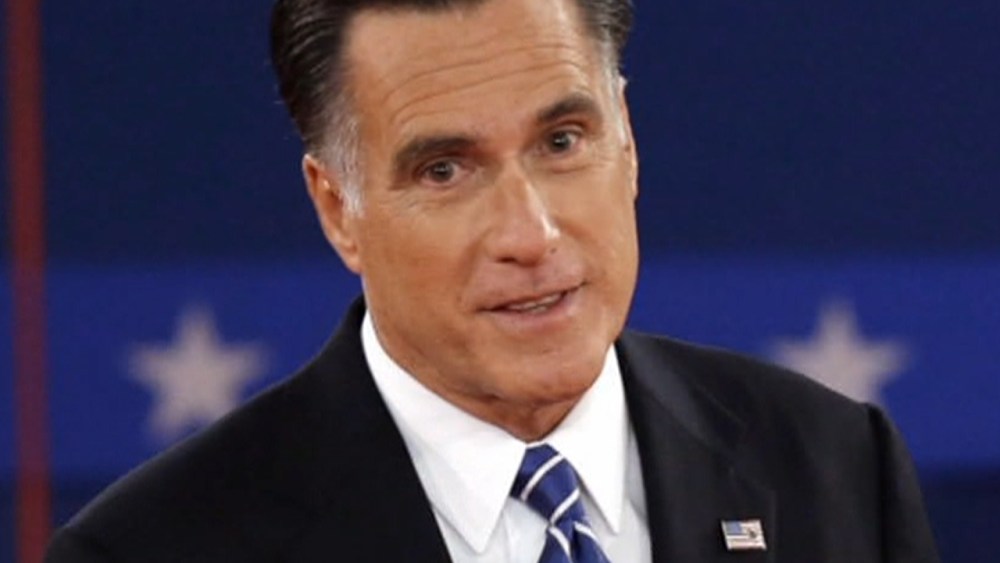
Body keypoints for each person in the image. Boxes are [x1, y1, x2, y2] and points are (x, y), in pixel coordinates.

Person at [46, 0, 940, 561]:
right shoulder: (153, 547)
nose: (531, 232)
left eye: (562, 142)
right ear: (339, 208)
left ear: (627, 139)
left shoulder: (837, 467)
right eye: (444, 169)